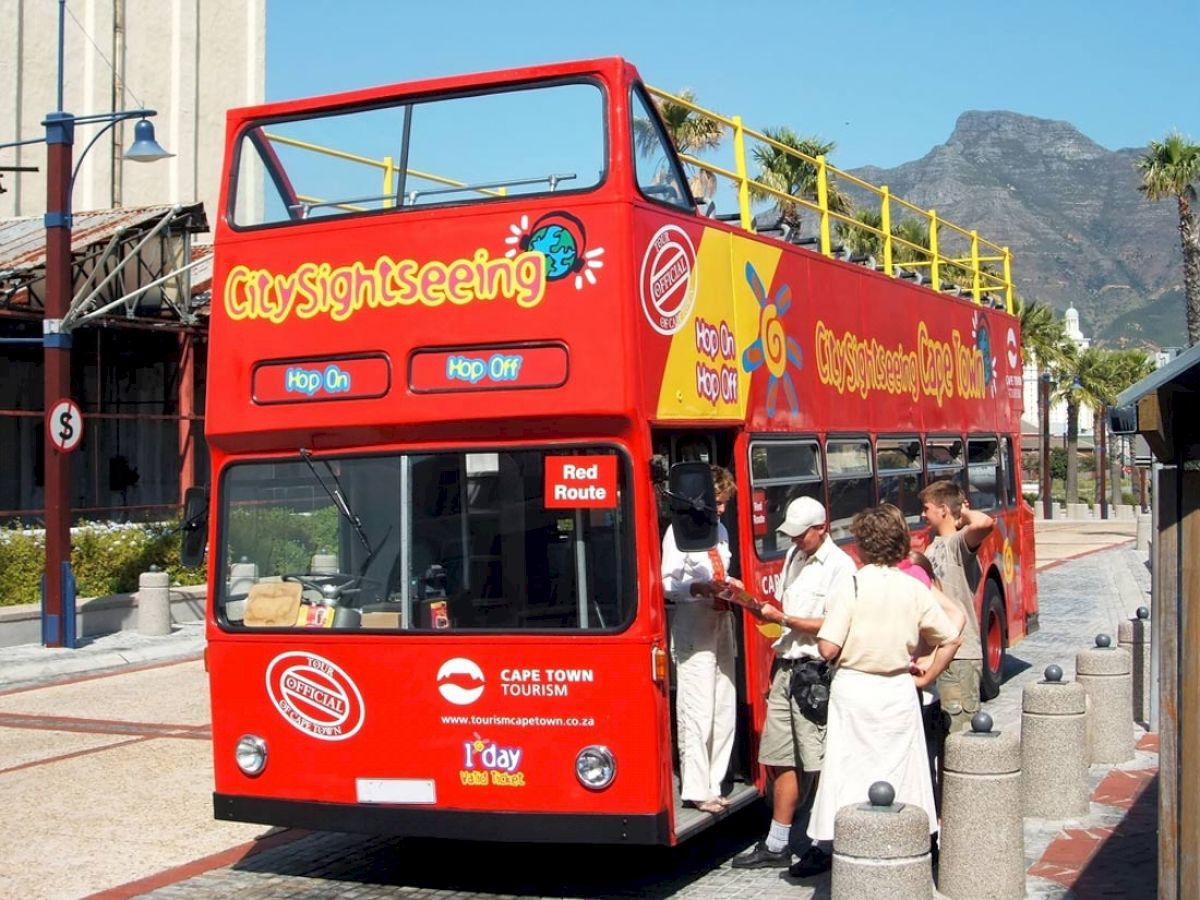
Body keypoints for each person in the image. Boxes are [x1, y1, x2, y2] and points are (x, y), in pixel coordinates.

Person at [794, 504, 961, 878]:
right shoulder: (913, 587)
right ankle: (908, 845)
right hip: (899, 688)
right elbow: (950, 638)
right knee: (902, 772)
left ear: (861, 545)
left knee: (849, 774)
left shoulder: (851, 584)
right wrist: (925, 673)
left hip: (854, 690)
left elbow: (827, 648)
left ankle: (853, 852)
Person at [731, 496, 856, 869]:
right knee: (780, 757)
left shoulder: (840, 566)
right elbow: (780, 613)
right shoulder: (794, 557)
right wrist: (748, 601)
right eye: (792, 535)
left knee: (818, 759)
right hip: (786, 666)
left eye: (801, 536)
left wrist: (784, 619)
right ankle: (777, 842)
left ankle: (824, 844)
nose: (795, 541)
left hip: (815, 671)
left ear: (822, 529)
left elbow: (836, 622)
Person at [661, 465, 740, 815]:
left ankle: (716, 779)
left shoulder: (719, 531)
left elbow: (721, 569)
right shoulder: (678, 535)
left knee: (724, 702)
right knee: (696, 705)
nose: (722, 509)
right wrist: (697, 586)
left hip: (721, 617)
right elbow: (666, 585)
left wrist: (731, 583)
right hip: (693, 619)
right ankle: (696, 786)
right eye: (719, 501)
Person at [919, 480, 995, 734]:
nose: (922, 514)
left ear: (942, 510)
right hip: (936, 653)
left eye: (927, 508)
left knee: (959, 736)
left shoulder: (958, 543)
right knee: (940, 736)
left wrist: (961, 511)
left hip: (960, 654)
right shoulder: (932, 546)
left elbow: (984, 523)